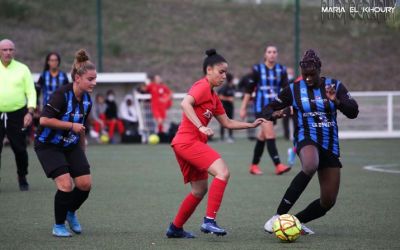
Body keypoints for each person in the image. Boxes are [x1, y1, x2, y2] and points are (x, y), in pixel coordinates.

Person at [166, 49, 266, 238]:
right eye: (221, 71)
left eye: (226, 72)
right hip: (188, 142)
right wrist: (200, 127)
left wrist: (251, 124)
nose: (224, 76)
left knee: (199, 190)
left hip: (184, 144)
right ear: (209, 70)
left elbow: (227, 122)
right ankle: (209, 221)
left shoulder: (213, 97)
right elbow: (185, 103)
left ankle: (175, 228)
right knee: (223, 172)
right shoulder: (202, 86)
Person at [263, 49, 359, 235]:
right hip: (306, 137)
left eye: (311, 75)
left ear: (319, 71)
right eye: (304, 75)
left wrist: (336, 101)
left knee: (328, 201)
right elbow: (267, 109)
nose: (307, 79)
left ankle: (294, 222)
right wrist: (275, 114)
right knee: (310, 165)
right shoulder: (294, 89)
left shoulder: (335, 86)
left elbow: (353, 112)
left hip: (330, 145)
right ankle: (278, 215)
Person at [34, 49, 96, 237]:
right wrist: (71, 125)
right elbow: (44, 120)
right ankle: (58, 225)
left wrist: (82, 151)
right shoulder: (61, 94)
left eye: (95, 79)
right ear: (77, 78)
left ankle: (70, 212)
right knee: (66, 184)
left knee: (85, 184)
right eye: (90, 79)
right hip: (48, 145)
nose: (94, 82)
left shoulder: (87, 100)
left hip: (70, 145)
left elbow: (81, 127)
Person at [239, 45, 290, 175]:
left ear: (277, 54)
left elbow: (286, 91)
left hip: (275, 108)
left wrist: (287, 106)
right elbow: (249, 90)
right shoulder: (257, 69)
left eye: (274, 52)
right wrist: (243, 107)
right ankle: (278, 165)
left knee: (262, 137)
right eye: (269, 52)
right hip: (261, 108)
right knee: (270, 134)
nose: (272, 54)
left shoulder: (282, 70)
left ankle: (254, 165)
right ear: (265, 55)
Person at [0, 39, 36, 191]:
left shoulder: (23, 69)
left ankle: (22, 176)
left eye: (10, 49)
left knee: (20, 149)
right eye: (4, 50)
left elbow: (31, 91)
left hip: (18, 114)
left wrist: (30, 111)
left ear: (14, 51)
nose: (8, 52)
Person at [218, 72, 236, 143]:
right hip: (224, 107)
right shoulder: (224, 87)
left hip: (231, 107)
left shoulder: (233, 87)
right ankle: (222, 138)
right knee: (223, 122)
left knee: (230, 121)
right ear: (231, 79)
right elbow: (220, 96)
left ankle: (230, 137)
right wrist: (228, 98)